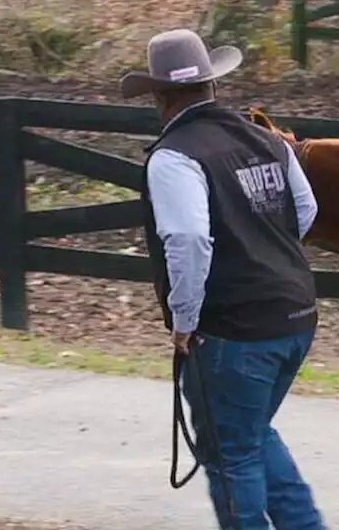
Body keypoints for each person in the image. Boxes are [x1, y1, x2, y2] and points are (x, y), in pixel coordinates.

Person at [123, 29, 327, 530]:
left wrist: (184, 320)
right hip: (297, 315)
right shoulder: (266, 138)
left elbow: (189, 239)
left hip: (233, 332)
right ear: (212, 84)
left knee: (230, 455)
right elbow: (306, 209)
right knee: (251, 435)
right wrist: (264, 255)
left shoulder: (175, 156)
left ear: (159, 96)